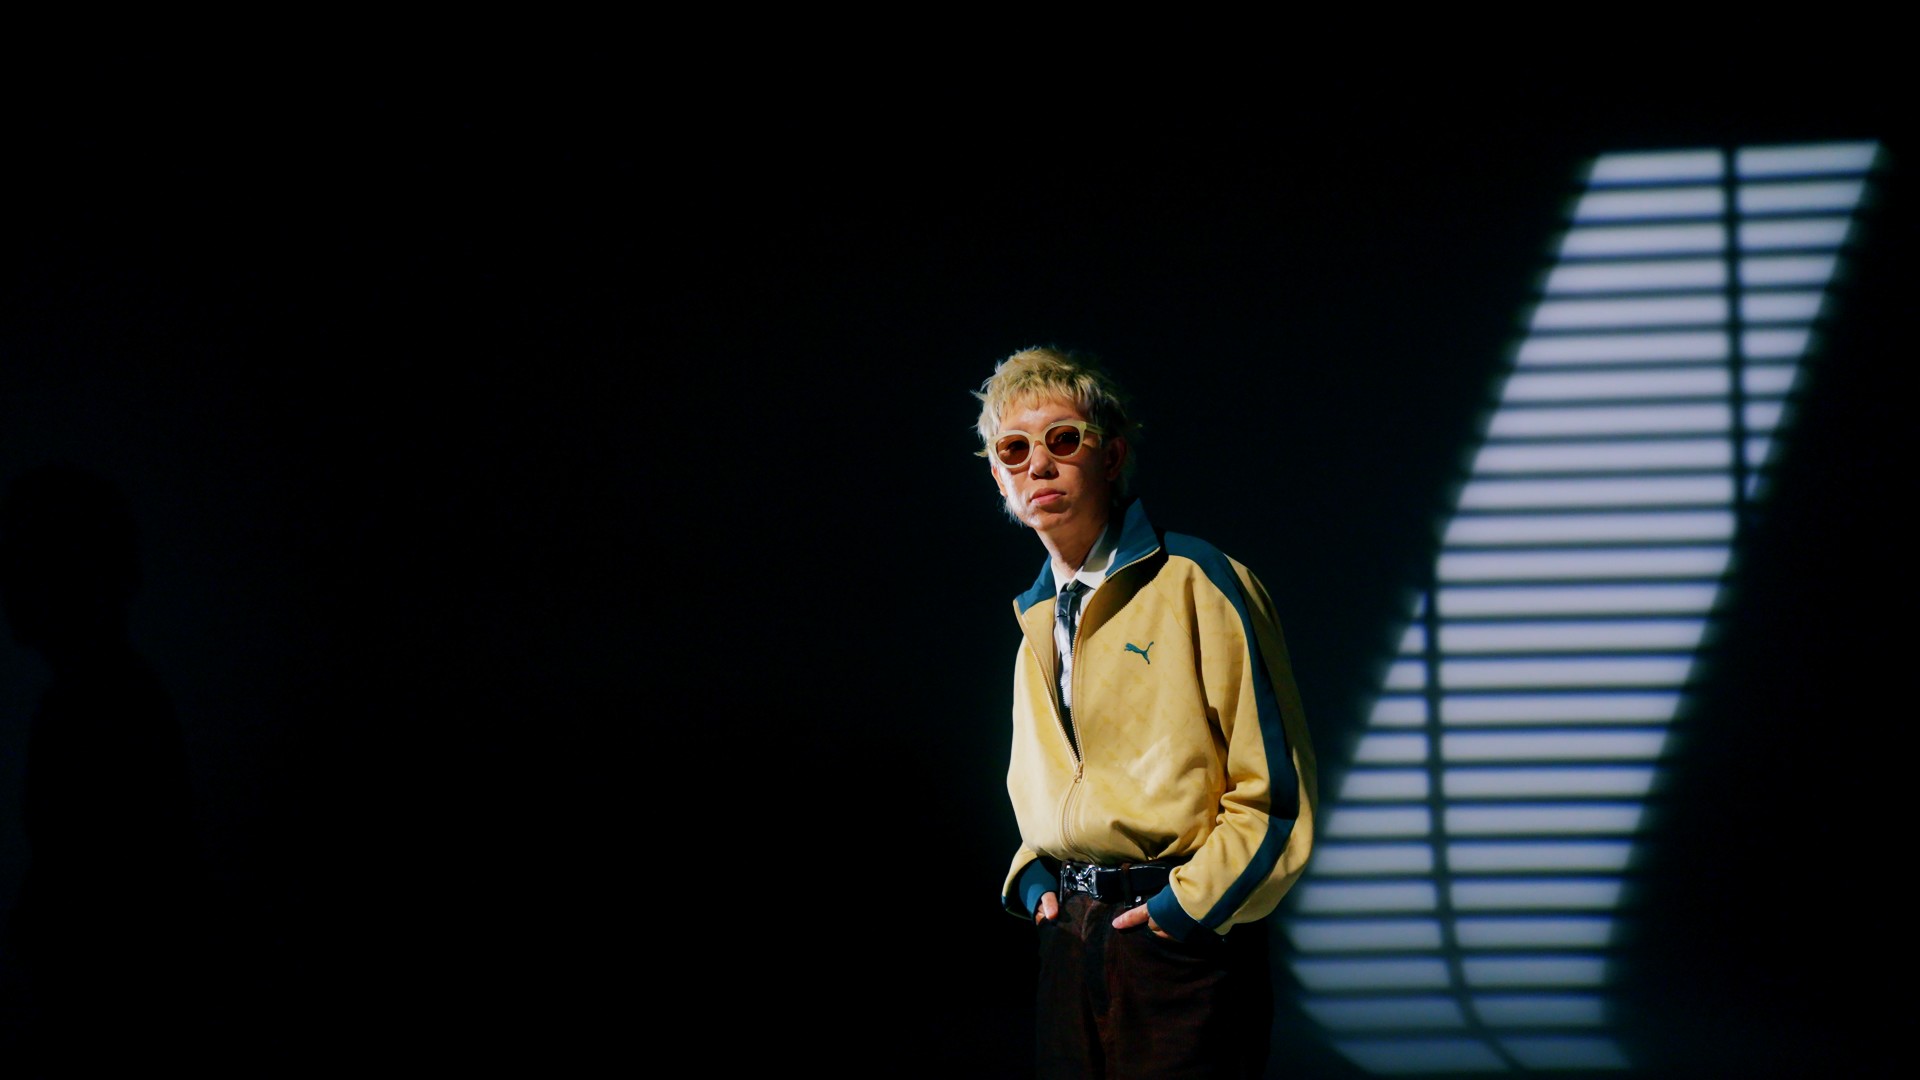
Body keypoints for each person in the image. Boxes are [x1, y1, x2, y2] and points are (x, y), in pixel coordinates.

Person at [977, 346, 1318, 1079]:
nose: (1039, 465)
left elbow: (1277, 796)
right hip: (1068, 944)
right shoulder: (1035, 619)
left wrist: (1183, 912)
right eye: (1014, 449)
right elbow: (1056, 789)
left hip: (1177, 948)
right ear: (998, 476)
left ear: (1111, 455)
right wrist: (1035, 879)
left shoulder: (1199, 581)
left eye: (1063, 439)